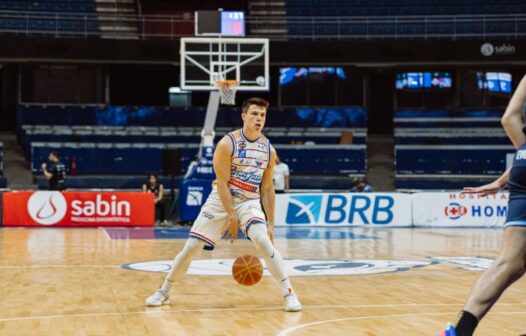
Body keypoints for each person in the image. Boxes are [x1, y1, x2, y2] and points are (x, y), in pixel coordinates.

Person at [145, 97, 302, 312]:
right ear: (244, 116)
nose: (259, 119)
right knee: (191, 248)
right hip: (221, 200)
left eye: (262, 115)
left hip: (249, 201)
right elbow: (221, 184)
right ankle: (164, 291)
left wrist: (271, 223)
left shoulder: (269, 150)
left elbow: (267, 189)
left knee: (264, 242)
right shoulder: (227, 144)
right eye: (254, 114)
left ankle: (289, 293)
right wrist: (231, 215)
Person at [437, 75, 526, 336]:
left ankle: (459, 331)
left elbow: (509, 117)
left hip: (522, 160)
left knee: (509, 263)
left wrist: (501, 181)